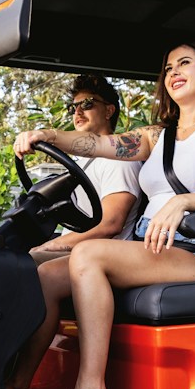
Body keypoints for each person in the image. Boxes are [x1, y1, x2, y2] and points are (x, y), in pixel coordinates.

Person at [10, 42, 195, 389]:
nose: (174, 70)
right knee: (47, 276)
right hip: (153, 248)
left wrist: (183, 202)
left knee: (87, 254)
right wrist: (47, 135)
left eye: (185, 63)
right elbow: (99, 144)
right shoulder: (157, 136)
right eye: (169, 65)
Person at [29, 74, 142, 263]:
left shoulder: (119, 159)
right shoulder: (78, 164)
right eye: (73, 108)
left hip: (104, 257)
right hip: (76, 251)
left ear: (109, 111)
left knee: (22, 267)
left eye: (88, 104)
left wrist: (52, 245)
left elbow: (111, 224)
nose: (78, 112)